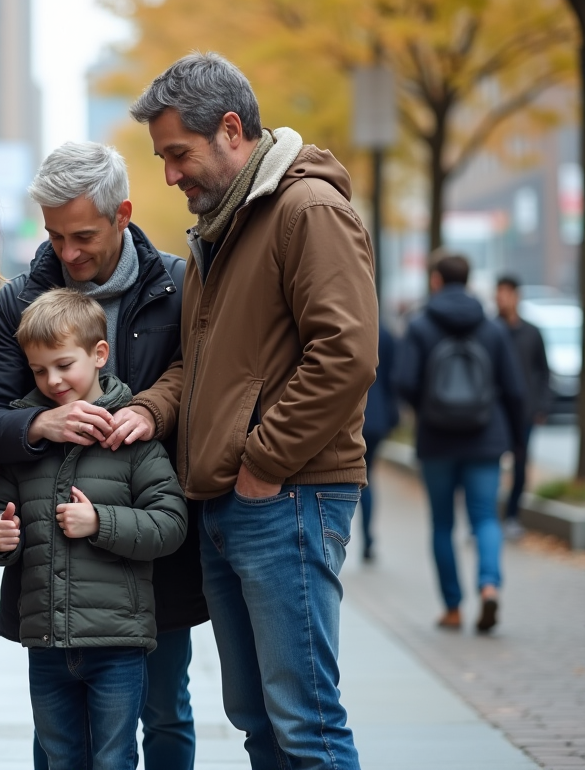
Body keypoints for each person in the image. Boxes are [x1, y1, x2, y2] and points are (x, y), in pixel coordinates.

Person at [125, 52, 377, 769]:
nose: (170, 175)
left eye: (178, 153)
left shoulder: (306, 209)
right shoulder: (223, 227)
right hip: (232, 502)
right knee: (260, 723)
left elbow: (347, 353)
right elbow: (199, 365)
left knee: (305, 724)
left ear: (230, 130)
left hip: (287, 495)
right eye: (162, 157)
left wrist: (263, 462)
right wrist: (148, 410)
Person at [0, 140, 207, 770]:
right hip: (57, 562)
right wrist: (41, 422)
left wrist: (150, 409)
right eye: (55, 236)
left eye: (83, 236)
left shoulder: (178, 286)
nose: (68, 253)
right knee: (58, 730)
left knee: (165, 708)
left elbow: (199, 377)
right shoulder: (19, 300)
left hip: (149, 539)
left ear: (122, 215)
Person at [0, 289, 188, 770]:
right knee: (60, 758)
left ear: (99, 354)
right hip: (47, 643)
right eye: (38, 370)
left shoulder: (133, 439)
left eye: (63, 365)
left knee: (114, 759)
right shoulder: (28, 443)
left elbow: (171, 523)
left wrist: (100, 522)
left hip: (117, 644)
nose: (52, 381)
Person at [395, 254, 525, 633]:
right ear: (468, 281)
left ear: (436, 280)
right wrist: (516, 438)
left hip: (437, 440)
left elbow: (404, 381)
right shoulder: (492, 328)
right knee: (485, 517)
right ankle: (489, 586)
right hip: (485, 437)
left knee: (442, 525)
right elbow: (514, 389)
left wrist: (428, 409)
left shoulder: (420, 325)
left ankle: (453, 609)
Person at [495, 275, 551, 540]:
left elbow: (543, 371)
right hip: (496, 413)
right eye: (498, 293)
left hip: (525, 412)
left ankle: (512, 516)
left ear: (516, 296)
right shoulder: (491, 330)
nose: (501, 298)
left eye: (506, 293)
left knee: (520, 466)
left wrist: (541, 406)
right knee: (490, 467)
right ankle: (487, 517)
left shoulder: (532, 332)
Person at [361, 324, 400, 561]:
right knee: (367, 478)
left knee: (349, 479)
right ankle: (367, 539)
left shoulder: (349, 326)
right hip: (377, 418)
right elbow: (394, 380)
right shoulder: (385, 334)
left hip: (353, 415)